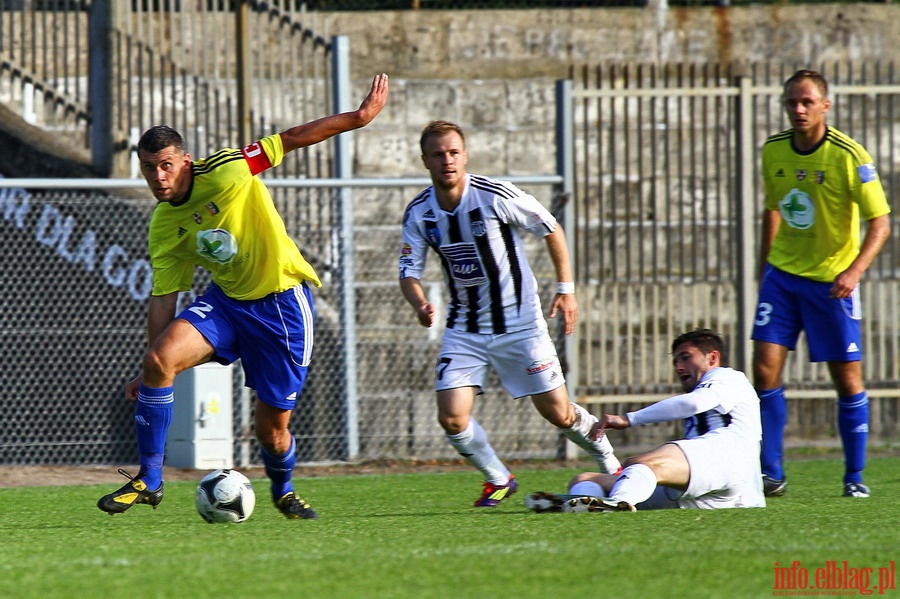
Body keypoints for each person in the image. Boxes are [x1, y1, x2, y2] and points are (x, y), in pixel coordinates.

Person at [97, 73, 390, 519]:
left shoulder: (228, 168)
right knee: (160, 361)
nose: (158, 177)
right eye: (149, 168)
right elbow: (163, 298)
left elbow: (290, 139)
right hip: (228, 303)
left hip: (283, 305)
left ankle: (284, 489)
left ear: (186, 161)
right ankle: (150, 480)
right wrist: (152, 362)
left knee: (270, 432)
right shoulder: (162, 225)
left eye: (166, 165)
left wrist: (359, 117)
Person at [398, 120, 620, 508]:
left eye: (453, 152)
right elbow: (408, 271)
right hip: (465, 328)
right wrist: (419, 302)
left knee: (560, 414)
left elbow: (551, 228)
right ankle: (499, 478)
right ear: (425, 161)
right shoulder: (420, 213)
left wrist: (566, 290)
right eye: (438, 154)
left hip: (521, 325)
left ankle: (610, 463)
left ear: (465, 156)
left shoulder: (494, 196)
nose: (447, 160)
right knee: (451, 418)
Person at [752, 69, 891, 499]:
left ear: (825, 106)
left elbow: (880, 223)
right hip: (783, 277)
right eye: (791, 101)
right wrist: (765, 270)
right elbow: (773, 208)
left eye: (807, 102)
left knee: (847, 379)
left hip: (832, 283)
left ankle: (855, 477)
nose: (798, 109)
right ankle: (770, 473)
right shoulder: (773, 150)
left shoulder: (850, 156)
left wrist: (854, 272)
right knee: (764, 368)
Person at [525, 329, 766, 513]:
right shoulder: (706, 390)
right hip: (706, 492)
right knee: (586, 479)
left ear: (712, 357)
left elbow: (694, 404)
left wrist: (629, 419)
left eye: (686, 358)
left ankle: (619, 502)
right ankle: (590, 507)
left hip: (729, 465)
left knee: (643, 463)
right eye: (675, 362)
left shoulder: (727, 377)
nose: (679, 367)